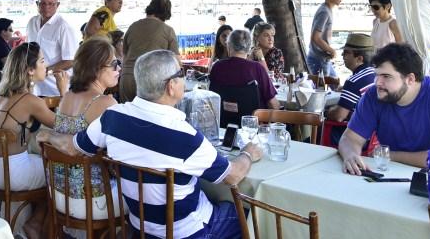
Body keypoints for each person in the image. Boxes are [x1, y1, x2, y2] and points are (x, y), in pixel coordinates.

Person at [38, 50, 263, 239]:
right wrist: (248, 154)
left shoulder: (112, 118)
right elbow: (232, 176)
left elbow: (73, 146)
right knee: (251, 215)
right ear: (171, 86)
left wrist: (49, 137)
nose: (183, 78)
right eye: (181, 73)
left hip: (141, 227)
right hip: (187, 232)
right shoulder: (185, 136)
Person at [339, 43, 430, 173]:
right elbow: (350, 138)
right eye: (376, 75)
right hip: (390, 174)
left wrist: (390, 155)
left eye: (386, 76)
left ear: (410, 79)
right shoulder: (374, 95)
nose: (377, 82)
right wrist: (351, 155)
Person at [0, 42, 67, 239]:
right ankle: (37, 224)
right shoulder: (30, 101)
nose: (46, 65)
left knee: (42, 162)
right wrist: (64, 91)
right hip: (14, 173)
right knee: (61, 173)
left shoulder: (1, 95)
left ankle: (32, 222)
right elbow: (66, 126)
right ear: (30, 70)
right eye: (42, 61)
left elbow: (23, 128)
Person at [52, 38, 120, 222]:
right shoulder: (106, 103)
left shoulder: (67, 96)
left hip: (58, 194)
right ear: (96, 68)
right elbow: (119, 155)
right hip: (90, 199)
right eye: (114, 64)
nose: (119, 69)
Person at [120, 0, 179, 102]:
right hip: (150, 82)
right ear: (165, 14)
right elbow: (177, 62)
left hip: (127, 79)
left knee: (128, 112)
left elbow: (124, 55)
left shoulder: (133, 26)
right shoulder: (168, 30)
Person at [25, 0, 80, 97]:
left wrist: (45, 71)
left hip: (55, 89)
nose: (47, 7)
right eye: (43, 3)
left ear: (57, 5)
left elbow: (70, 60)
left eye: (51, 4)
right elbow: (27, 51)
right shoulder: (32, 22)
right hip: (33, 87)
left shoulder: (64, 27)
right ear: (37, 4)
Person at [209, 29, 279, 112]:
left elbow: (212, 98)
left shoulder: (217, 67)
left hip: (223, 119)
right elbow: (273, 105)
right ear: (249, 48)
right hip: (252, 119)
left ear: (228, 46)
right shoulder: (257, 68)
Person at [325, 33, 375, 145]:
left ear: (359, 59)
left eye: (346, 52)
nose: (342, 55)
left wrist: (326, 112)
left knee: (314, 134)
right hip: (374, 137)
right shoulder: (376, 74)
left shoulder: (354, 81)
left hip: (357, 139)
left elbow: (339, 116)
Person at [306, 0, 342, 79]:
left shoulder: (327, 9)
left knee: (335, 84)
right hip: (319, 59)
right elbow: (316, 37)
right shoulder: (324, 12)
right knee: (323, 86)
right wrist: (332, 51)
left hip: (323, 58)